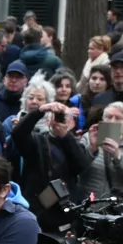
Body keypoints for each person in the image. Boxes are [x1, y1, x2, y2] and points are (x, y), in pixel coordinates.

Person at [9, 80, 93, 212]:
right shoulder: (38, 141)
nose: (58, 121)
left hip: (65, 206)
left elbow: (81, 166)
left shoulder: (74, 143)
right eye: (56, 117)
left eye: (63, 118)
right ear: (48, 120)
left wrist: (65, 136)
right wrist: (41, 110)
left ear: (72, 123)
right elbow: (18, 134)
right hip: (39, 206)